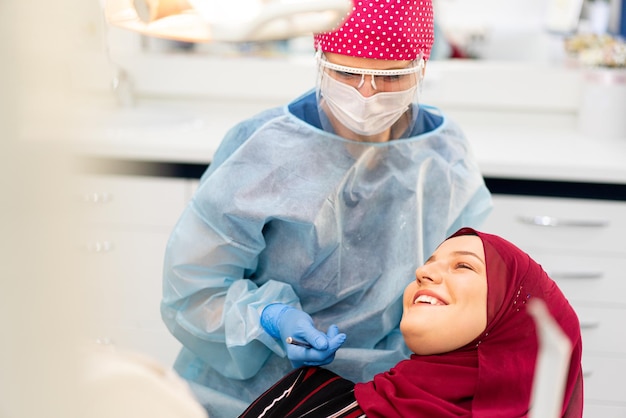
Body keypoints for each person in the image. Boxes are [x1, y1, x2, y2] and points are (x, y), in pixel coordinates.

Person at [160, 0, 493, 416]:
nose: (366, 94)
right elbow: (194, 289)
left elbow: (462, 290)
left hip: (388, 391)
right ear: (320, 61)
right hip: (250, 393)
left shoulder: (443, 158)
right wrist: (271, 319)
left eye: (390, 76)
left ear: (421, 66)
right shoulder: (264, 150)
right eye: (347, 72)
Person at [238, 228, 584, 418]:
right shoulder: (304, 395)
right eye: (428, 262)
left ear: (512, 320)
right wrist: (270, 315)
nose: (422, 271)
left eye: (463, 266)